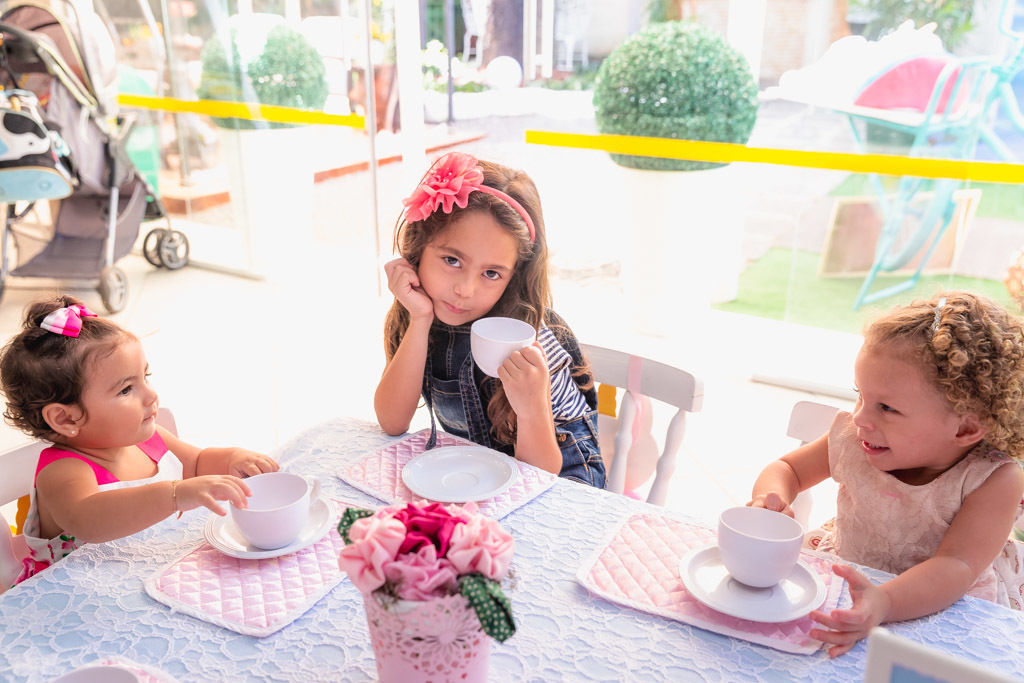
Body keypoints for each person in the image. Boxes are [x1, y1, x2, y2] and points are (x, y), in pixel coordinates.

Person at [749, 291, 1024, 656]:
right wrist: (769, 499)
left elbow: (955, 566)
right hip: (849, 573)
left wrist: (884, 602)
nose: (860, 417)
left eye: (887, 408)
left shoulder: (993, 480)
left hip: (941, 604)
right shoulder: (856, 437)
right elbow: (787, 469)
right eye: (860, 395)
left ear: (965, 428)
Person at [0, 296, 278, 586]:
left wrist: (232, 459)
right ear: (66, 418)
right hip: (74, 594)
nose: (151, 395)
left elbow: (196, 463)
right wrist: (175, 495)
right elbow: (90, 520)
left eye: (146, 376)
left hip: (147, 576)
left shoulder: (148, 440)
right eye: (126, 390)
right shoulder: (62, 471)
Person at [374, 151, 605, 488]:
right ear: (418, 247)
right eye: (452, 260)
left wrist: (531, 408)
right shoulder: (419, 313)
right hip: (481, 473)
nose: (465, 290)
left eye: (492, 273)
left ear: (514, 277)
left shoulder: (529, 337)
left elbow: (542, 475)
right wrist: (419, 320)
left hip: (563, 481)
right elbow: (392, 422)